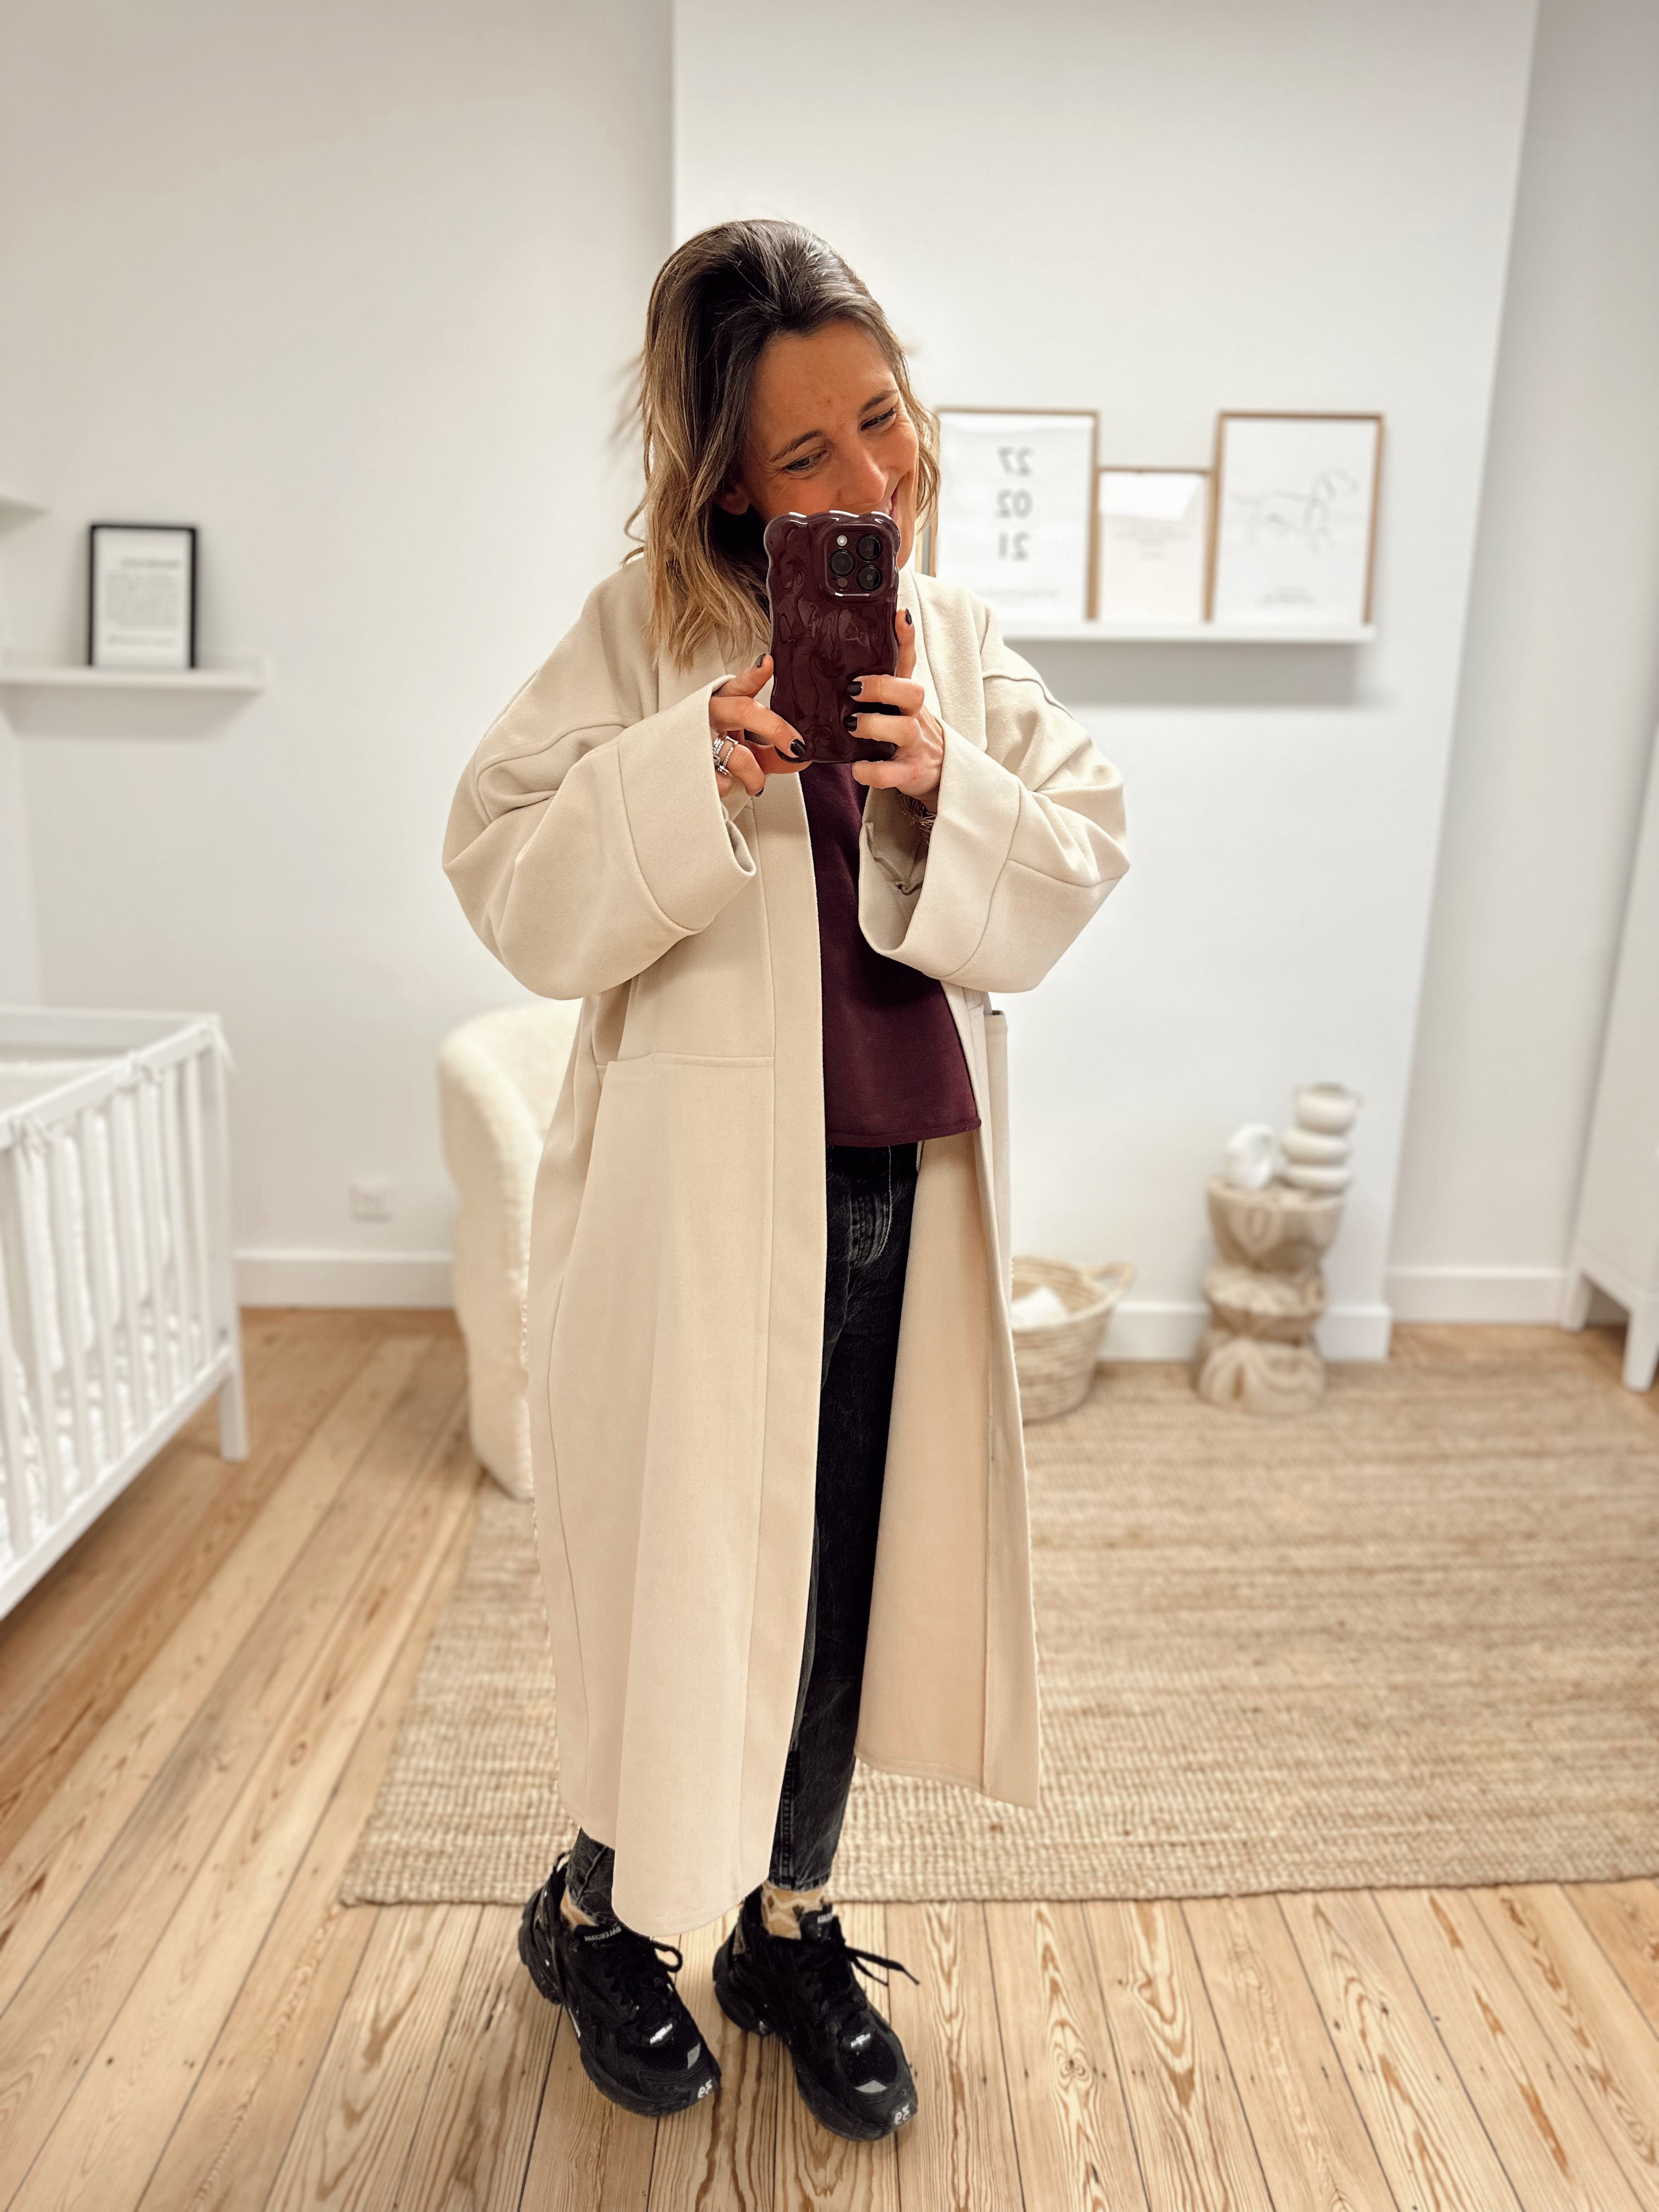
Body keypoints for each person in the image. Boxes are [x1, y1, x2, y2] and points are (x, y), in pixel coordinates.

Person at [442, 218, 1130, 2141]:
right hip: (692, 1217)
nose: (866, 481)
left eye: (882, 421)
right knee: (675, 1573)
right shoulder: (641, 633)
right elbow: (501, 868)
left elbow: (1085, 842)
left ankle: (785, 1922)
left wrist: (946, 785)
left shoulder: (954, 638)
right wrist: (687, 770)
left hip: (899, 1188)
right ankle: (600, 1914)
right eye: (807, 453)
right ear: (731, 476)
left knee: (838, 1585)